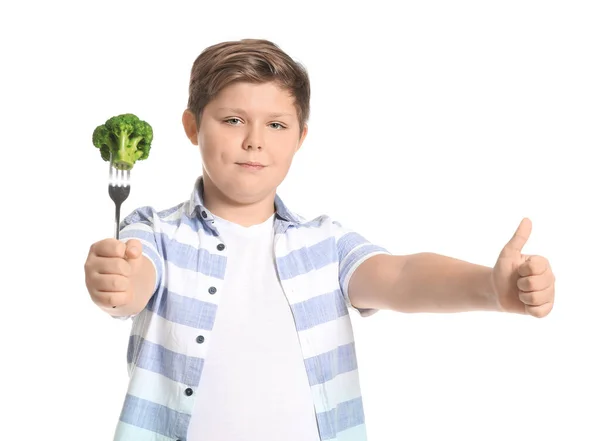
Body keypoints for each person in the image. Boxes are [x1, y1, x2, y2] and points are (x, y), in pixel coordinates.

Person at [83, 39, 556, 441]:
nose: (254, 141)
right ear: (192, 126)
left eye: (276, 124)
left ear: (300, 137)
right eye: (232, 120)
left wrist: (489, 288)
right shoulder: (154, 232)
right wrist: (119, 284)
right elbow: (133, 280)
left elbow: (402, 274)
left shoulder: (326, 243)